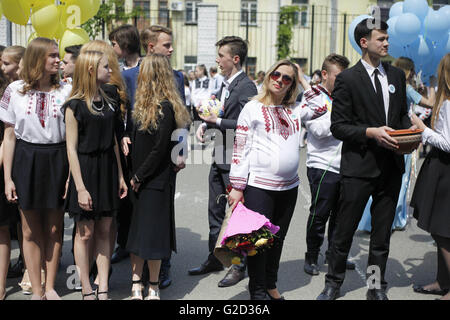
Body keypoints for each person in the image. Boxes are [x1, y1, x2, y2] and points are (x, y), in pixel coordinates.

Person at [316, 18, 416, 300]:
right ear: (364, 42)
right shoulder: (347, 79)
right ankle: (333, 284)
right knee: (344, 231)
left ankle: (375, 287)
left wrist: (411, 132)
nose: (386, 43)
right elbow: (339, 126)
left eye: (387, 39)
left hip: (391, 167)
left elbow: (400, 117)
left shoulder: (396, 76)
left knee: (381, 235)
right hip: (359, 167)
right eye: (380, 39)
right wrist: (371, 132)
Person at [0, 37, 72, 300]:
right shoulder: (15, 90)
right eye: (52, 55)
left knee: (54, 228)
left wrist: (70, 176)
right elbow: (9, 136)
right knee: (29, 229)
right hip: (26, 158)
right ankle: (37, 289)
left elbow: (72, 136)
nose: (58, 60)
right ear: (38, 58)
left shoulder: (66, 90)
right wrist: (7, 178)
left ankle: (51, 286)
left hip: (57, 157)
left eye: (58, 55)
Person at [227, 59, 302, 300]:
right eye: (277, 75)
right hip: (260, 188)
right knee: (259, 243)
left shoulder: (295, 109)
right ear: (269, 76)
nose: (280, 80)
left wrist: (302, 77)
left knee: (277, 240)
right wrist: (238, 187)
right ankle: (257, 290)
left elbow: (320, 100)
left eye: (287, 78)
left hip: (290, 188)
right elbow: (240, 148)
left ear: (292, 84)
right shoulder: (252, 108)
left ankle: (271, 284)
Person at [189, 36, 258, 288]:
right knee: (215, 211)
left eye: (221, 55)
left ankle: (238, 266)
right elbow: (216, 114)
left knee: (236, 216)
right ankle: (215, 258)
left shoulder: (247, 87)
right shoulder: (224, 85)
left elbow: (246, 125)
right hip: (219, 157)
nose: (217, 60)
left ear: (235, 59)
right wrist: (204, 126)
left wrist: (216, 123)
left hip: (235, 162)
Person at [121, 25, 186, 290]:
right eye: (166, 45)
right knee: (135, 217)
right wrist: (125, 135)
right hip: (137, 153)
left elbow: (181, 118)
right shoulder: (130, 76)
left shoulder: (177, 77)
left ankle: (162, 269)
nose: (171, 50)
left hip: (161, 161)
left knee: (159, 216)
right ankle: (131, 261)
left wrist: (179, 151)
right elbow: (127, 114)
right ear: (151, 47)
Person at [63, 49, 127, 300]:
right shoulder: (74, 106)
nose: (110, 71)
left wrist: (120, 175)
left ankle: (104, 288)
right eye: (105, 67)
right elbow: (71, 148)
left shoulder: (109, 101)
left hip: (108, 169)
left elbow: (113, 142)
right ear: (91, 70)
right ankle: (86, 287)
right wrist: (79, 187)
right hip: (86, 171)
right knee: (85, 232)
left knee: (105, 229)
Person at [357, 56, 437, 232]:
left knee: (379, 180)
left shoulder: (389, 84)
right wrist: (431, 84)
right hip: (405, 136)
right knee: (401, 178)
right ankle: (395, 219)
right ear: (409, 71)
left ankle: (372, 220)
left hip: (386, 133)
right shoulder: (406, 88)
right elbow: (430, 104)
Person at [298, 54, 356, 276]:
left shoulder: (344, 96)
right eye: (338, 77)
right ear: (324, 74)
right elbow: (318, 131)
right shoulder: (312, 95)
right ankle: (312, 255)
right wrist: (343, 120)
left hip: (347, 165)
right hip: (322, 165)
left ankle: (335, 254)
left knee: (341, 216)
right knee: (320, 213)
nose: (343, 82)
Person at [410, 53, 450, 300]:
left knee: (442, 232)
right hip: (443, 170)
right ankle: (441, 281)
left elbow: (447, 143)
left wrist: (422, 129)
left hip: (445, 171)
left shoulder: (448, 104)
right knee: (443, 230)